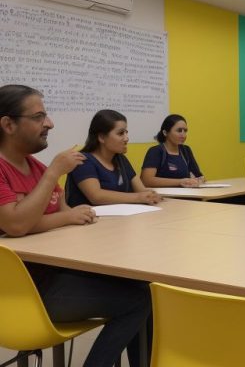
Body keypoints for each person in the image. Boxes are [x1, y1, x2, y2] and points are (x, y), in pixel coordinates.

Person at [0, 84, 151, 367]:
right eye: (38, 117)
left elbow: (65, 214)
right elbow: (17, 224)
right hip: (24, 293)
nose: (50, 123)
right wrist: (55, 173)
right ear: (8, 124)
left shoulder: (35, 167)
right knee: (138, 301)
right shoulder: (30, 169)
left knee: (141, 283)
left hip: (53, 275)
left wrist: (60, 216)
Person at [66, 109, 163, 207]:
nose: (126, 138)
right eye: (121, 133)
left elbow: (141, 190)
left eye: (126, 132)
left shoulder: (121, 159)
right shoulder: (82, 160)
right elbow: (96, 196)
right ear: (102, 137)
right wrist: (138, 197)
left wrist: (151, 195)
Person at [140, 114, 204, 188]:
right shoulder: (155, 151)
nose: (183, 135)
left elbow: (199, 176)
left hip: (188, 195)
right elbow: (146, 180)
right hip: (165, 197)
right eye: (179, 130)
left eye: (185, 131)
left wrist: (199, 180)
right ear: (165, 133)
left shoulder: (186, 150)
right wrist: (180, 182)